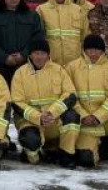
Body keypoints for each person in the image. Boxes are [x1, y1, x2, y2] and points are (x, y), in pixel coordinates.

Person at [9, 39, 79, 167]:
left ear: (48, 55)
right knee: (31, 143)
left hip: (54, 120)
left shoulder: (59, 70)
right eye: (36, 53)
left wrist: (52, 113)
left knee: (72, 116)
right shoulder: (20, 73)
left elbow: (71, 95)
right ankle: (31, 153)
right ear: (30, 55)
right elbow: (17, 102)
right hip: (30, 121)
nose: (39, 57)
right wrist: (38, 117)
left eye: (43, 53)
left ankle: (66, 155)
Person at [64, 35, 108, 168]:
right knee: (85, 160)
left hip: (107, 120)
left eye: (97, 50)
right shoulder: (72, 67)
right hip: (84, 123)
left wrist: (98, 116)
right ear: (84, 51)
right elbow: (68, 94)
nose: (93, 54)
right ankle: (100, 149)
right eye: (89, 50)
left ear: (103, 51)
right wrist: (83, 116)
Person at [0, 0, 45, 84]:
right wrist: (4, 57)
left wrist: (23, 55)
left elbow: (38, 38)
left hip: (27, 68)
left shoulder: (32, 16)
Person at [38, 0, 89, 67]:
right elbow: (39, 36)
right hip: (51, 61)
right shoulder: (41, 9)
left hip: (75, 61)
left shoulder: (77, 9)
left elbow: (85, 34)